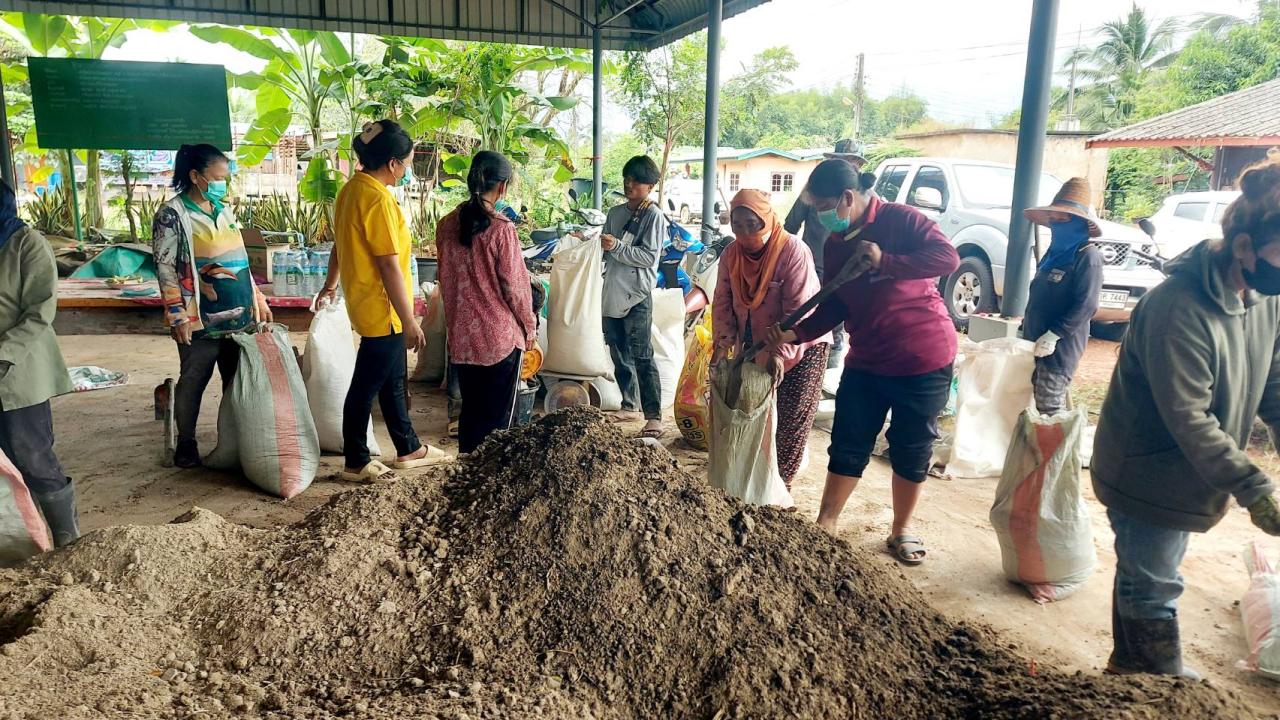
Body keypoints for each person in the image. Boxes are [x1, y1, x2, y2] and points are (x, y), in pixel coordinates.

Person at [1093, 157, 1280, 679]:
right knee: (1153, 583)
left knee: (1145, 572)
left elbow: (1276, 386)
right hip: (1147, 468)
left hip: (1189, 470)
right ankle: (1157, 683)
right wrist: (1254, 486)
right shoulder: (1177, 307)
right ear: (1243, 247)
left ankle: (1128, 672)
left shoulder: (1263, 297)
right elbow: (1189, 416)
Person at [767, 159, 959, 565]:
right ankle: (827, 523)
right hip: (867, 358)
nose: (819, 216)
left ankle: (901, 529)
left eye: (822, 206)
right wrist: (795, 333)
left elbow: (947, 259)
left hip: (921, 357)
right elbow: (836, 299)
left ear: (847, 198)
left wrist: (886, 261)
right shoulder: (836, 244)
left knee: (911, 447)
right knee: (849, 442)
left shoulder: (901, 220)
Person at [319, 120, 446, 482]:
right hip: (383, 309)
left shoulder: (351, 191)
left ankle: (409, 448)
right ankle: (356, 460)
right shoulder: (378, 199)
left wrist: (330, 284)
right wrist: (409, 319)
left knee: (392, 381)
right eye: (406, 163)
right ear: (392, 163)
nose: (405, 170)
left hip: (366, 304)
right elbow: (389, 264)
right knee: (366, 386)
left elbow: (339, 245)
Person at [153, 143, 272, 468]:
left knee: (237, 383)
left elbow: (241, 259)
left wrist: (257, 298)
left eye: (226, 178)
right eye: (218, 177)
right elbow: (165, 268)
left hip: (240, 318)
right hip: (200, 319)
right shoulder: (172, 215)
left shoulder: (224, 209)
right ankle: (187, 443)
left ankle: (235, 444)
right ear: (195, 176)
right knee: (194, 379)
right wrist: (177, 314)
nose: (224, 184)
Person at [712, 189, 830, 490]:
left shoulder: (792, 251)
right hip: (755, 344)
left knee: (789, 420)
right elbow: (723, 301)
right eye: (737, 225)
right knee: (755, 414)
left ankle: (781, 486)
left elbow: (798, 308)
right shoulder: (731, 255)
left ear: (767, 219)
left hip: (802, 346)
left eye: (752, 224)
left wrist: (781, 351)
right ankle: (756, 480)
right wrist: (722, 346)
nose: (745, 232)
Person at [435, 151, 536, 454]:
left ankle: (465, 480)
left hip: (463, 341)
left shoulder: (446, 225)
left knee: (471, 417)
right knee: (497, 428)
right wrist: (530, 330)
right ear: (502, 187)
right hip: (499, 342)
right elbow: (517, 289)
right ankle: (488, 488)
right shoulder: (501, 229)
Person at [0, 179, 78, 547]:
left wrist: (3, 353)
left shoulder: (26, 244)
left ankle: (66, 538)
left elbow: (39, 312)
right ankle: (18, 545)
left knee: (32, 456)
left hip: (18, 373)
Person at [1021, 178, 1105, 415]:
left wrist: (1054, 334)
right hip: (1033, 339)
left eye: (1064, 219)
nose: (1057, 224)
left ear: (1080, 223)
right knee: (1029, 402)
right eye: (1054, 219)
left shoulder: (1088, 256)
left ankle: (1057, 451)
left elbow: (1087, 304)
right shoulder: (1052, 254)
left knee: (1049, 404)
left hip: (1060, 346)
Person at [784, 139, 866, 369]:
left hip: (849, 273)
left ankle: (827, 367)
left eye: (852, 163)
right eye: (841, 161)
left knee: (838, 324)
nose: (847, 167)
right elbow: (790, 225)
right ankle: (803, 365)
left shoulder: (868, 203)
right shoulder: (815, 190)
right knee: (809, 316)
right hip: (812, 267)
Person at [602, 155, 667, 438]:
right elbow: (605, 252)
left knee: (642, 355)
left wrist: (615, 246)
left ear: (650, 186)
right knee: (618, 350)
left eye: (637, 180)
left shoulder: (653, 216)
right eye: (627, 178)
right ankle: (630, 404)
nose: (630, 184)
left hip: (637, 294)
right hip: (612, 290)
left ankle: (653, 416)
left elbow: (648, 257)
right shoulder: (615, 214)